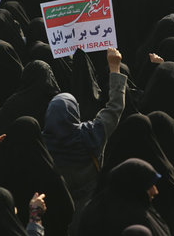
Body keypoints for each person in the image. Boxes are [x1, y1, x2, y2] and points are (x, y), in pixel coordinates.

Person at [43, 47, 127, 235]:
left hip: (59, 213)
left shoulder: (42, 145)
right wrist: (115, 68)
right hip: (92, 210)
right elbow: (115, 108)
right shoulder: (90, 134)